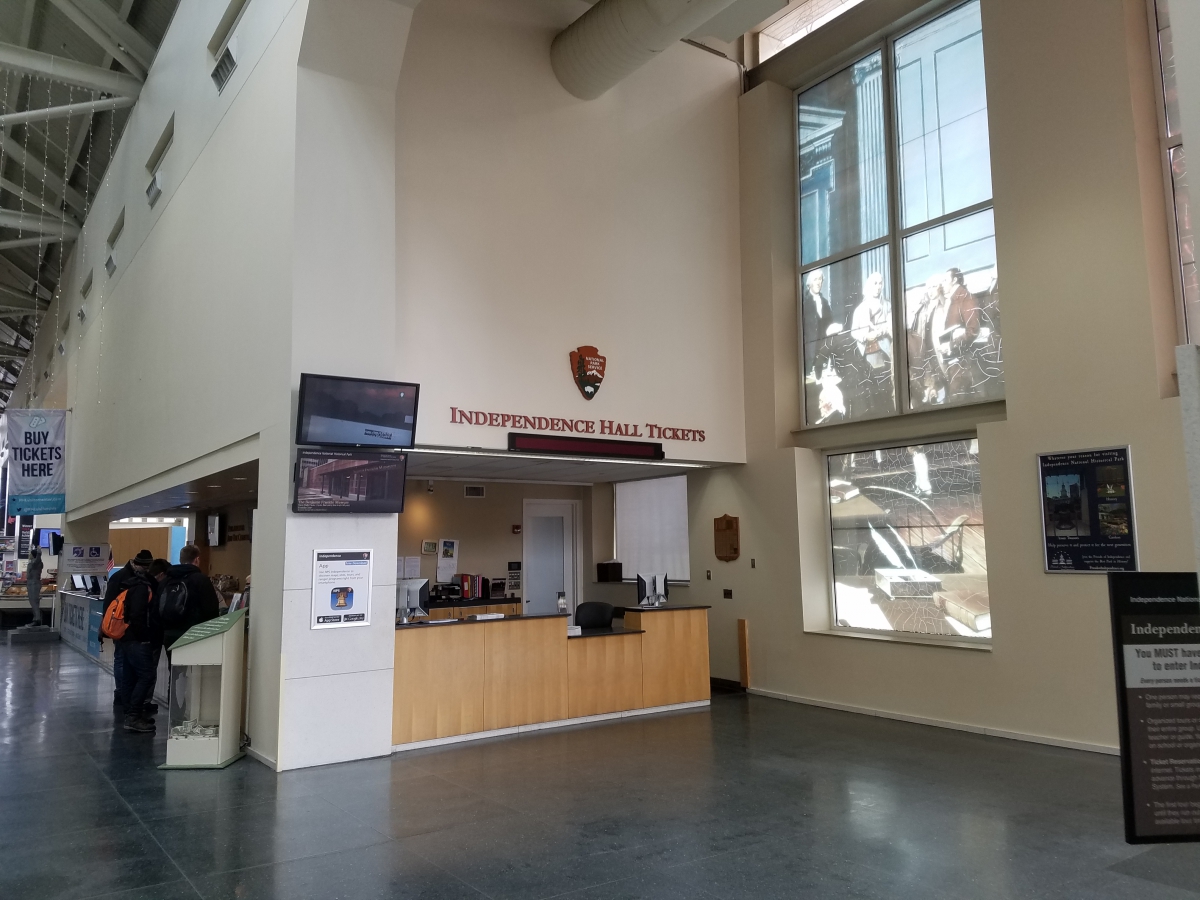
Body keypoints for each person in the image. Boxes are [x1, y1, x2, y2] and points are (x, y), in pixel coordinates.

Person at [104, 550, 154, 711]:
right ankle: (126, 699)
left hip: (123, 628)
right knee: (125, 663)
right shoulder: (134, 580)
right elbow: (111, 605)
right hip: (127, 629)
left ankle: (124, 697)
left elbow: (109, 604)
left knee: (124, 664)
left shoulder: (120, 577)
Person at [114, 563, 161, 733]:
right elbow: (138, 615)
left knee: (129, 676)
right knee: (146, 675)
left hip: (126, 638)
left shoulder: (131, 586)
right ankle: (133, 715)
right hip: (137, 640)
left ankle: (130, 713)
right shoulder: (143, 589)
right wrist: (145, 638)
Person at [160, 544, 221, 654]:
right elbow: (210, 609)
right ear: (197, 559)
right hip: (193, 633)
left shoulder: (167, 580)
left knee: (174, 668)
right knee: (193, 668)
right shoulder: (201, 580)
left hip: (169, 633)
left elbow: (157, 605)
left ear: (180, 559)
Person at [850, 271, 894, 415]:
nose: (878, 286)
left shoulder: (887, 305)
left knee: (886, 387)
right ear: (869, 285)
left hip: (884, 352)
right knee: (872, 390)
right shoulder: (860, 309)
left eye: (880, 283)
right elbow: (853, 331)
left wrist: (880, 332)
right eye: (875, 283)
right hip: (867, 354)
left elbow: (891, 325)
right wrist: (865, 336)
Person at [26, 546, 44, 626]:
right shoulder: (32, 562)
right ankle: (35, 618)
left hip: (34, 583)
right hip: (30, 583)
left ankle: (37, 619)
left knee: (34, 602)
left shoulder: (37, 562)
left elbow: (38, 558)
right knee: (32, 602)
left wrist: (39, 550)